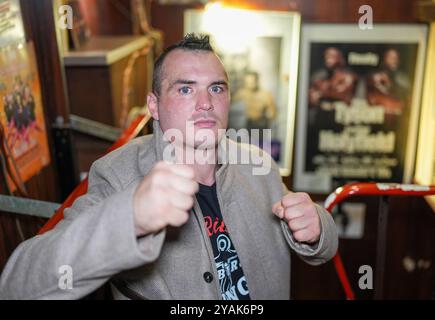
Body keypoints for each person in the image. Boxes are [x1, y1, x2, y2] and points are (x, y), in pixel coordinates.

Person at [0, 34, 338, 300]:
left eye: (216, 88)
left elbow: (324, 247)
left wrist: (318, 228)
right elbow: (16, 287)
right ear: (154, 105)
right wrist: (129, 217)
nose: (206, 103)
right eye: (186, 88)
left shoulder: (260, 165)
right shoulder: (117, 174)